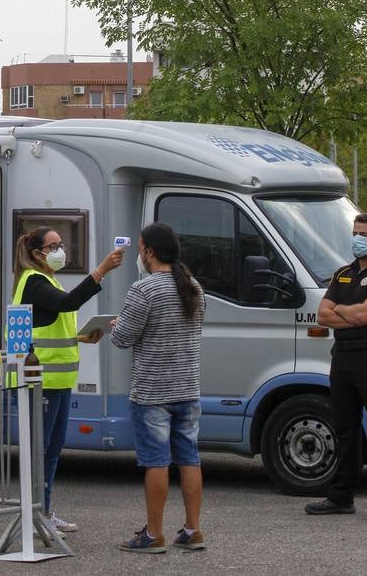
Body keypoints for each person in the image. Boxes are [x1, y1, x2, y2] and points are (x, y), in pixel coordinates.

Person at [11, 226, 124, 533]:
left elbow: (50, 325)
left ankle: (44, 512)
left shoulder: (47, 278)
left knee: (53, 448)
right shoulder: (32, 280)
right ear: (36, 253)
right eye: (53, 245)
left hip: (57, 381)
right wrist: (101, 270)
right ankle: (34, 515)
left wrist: (81, 337)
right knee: (41, 449)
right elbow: (68, 303)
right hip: (38, 380)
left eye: (61, 244)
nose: (60, 250)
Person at [111, 222, 206, 554]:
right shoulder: (193, 287)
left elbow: (123, 338)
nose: (139, 253)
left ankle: (153, 534)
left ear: (149, 251)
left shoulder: (144, 289)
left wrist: (116, 325)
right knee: (190, 459)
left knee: (156, 461)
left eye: (140, 247)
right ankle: (193, 530)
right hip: (188, 388)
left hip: (152, 391)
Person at [305, 212, 367, 521]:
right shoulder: (342, 274)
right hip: (343, 358)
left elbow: (365, 316)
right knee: (345, 428)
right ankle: (341, 496)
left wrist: (344, 312)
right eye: (354, 232)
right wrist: (353, 312)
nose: (356, 239)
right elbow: (323, 315)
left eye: (362, 234)